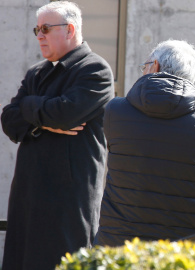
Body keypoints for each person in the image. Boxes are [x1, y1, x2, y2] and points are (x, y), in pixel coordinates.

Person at [0, 1, 114, 269]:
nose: (39, 35)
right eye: (37, 29)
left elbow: (64, 114)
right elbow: (8, 120)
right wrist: (43, 118)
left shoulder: (95, 70)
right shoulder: (37, 72)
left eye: (46, 28)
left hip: (66, 199)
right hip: (28, 195)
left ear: (70, 29)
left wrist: (29, 108)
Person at [93, 39, 195, 247]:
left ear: (155, 66)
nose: (143, 71)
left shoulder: (115, 110)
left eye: (145, 66)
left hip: (121, 239)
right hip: (185, 243)